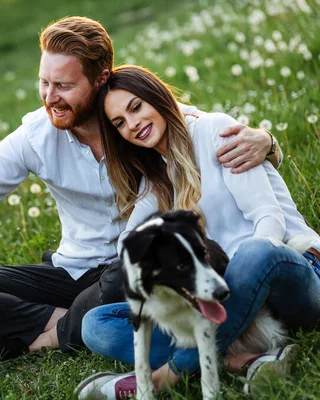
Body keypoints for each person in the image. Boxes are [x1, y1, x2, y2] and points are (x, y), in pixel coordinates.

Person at [0, 17, 281, 366]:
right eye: (44, 82)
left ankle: (39, 336)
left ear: (100, 79)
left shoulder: (132, 119)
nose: (49, 97)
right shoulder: (36, 136)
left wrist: (266, 141)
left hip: (126, 268)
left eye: (63, 86)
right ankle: (63, 327)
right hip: (71, 271)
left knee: (124, 274)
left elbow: (196, 130)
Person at [75, 65, 320, 399]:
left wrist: (232, 282)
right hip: (221, 301)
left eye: (136, 107)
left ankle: (167, 375)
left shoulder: (214, 131)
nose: (132, 124)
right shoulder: (154, 180)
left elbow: (269, 221)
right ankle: (246, 360)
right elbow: (128, 247)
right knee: (96, 324)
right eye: (120, 123)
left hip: (290, 274)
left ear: (157, 98)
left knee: (255, 252)